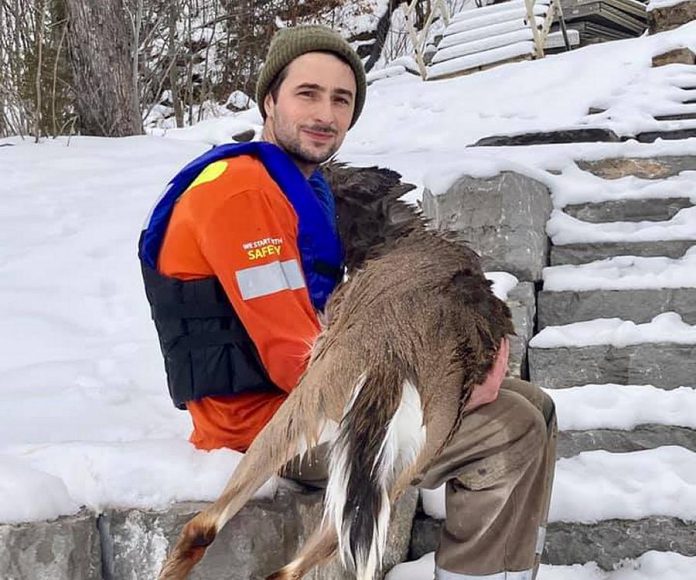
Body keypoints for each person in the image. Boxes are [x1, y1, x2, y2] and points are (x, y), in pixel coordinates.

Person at [139, 24, 556, 580]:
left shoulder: (294, 185)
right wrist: (450, 386)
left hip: (313, 396)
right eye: (306, 94)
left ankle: (506, 569)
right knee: (513, 426)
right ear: (270, 99)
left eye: (342, 99)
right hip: (264, 422)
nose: (325, 114)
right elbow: (295, 359)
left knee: (537, 405)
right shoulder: (241, 194)